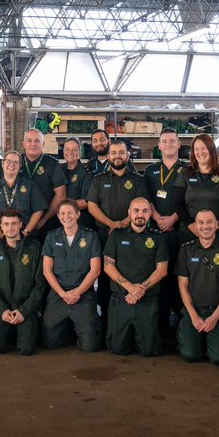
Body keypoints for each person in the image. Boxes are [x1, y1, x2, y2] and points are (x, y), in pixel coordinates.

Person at [103, 197, 170, 356]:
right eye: (136, 210)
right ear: (129, 213)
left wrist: (139, 290)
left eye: (145, 211)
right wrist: (130, 288)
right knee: (117, 349)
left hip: (147, 299)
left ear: (149, 214)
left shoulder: (158, 237)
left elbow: (162, 270)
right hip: (122, 299)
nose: (140, 214)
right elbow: (108, 266)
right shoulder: (116, 235)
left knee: (149, 351)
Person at [174, 209, 219, 365]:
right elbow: (182, 286)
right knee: (190, 355)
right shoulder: (186, 250)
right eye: (201, 222)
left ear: (217, 225)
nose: (205, 226)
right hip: (193, 312)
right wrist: (194, 316)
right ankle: (193, 339)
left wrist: (215, 317)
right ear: (196, 226)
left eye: (210, 222)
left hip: (218, 312)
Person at [41, 200, 103, 351]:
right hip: (58, 294)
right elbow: (47, 270)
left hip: (83, 294)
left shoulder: (91, 237)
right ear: (58, 216)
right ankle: (69, 327)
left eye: (70, 213)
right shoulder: (51, 237)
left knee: (90, 346)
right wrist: (63, 294)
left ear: (78, 214)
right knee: (49, 343)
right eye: (62, 213)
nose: (66, 216)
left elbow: (95, 270)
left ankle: (85, 326)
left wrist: (77, 293)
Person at [0, 208, 46, 355]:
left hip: (25, 309)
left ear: (21, 225)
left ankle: (26, 328)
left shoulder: (35, 249)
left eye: (14, 223)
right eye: (6, 224)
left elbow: (40, 284)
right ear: (1, 226)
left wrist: (24, 311)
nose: (10, 227)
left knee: (26, 350)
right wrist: (2, 309)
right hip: (4, 309)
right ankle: (11, 330)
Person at [144, 129, 187, 332]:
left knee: (179, 274)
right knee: (159, 274)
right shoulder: (151, 171)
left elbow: (190, 199)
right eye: (164, 141)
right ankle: (160, 320)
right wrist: (157, 218)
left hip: (179, 231)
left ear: (179, 144)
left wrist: (173, 218)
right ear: (158, 145)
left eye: (172, 140)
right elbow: (146, 199)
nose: (168, 144)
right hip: (157, 231)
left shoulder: (188, 170)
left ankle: (181, 317)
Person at [175, 133, 219, 243]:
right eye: (196, 149)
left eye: (203, 148)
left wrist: (216, 225)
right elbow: (178, 203)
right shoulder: (185, 173)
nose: (200, 152)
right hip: (190, 232)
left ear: (211, 149)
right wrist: (191, 225)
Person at [86, 140, 148, 239]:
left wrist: (122, 225)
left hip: (132, 233)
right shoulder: (98, 180)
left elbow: (144, 207)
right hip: (104, 234)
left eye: (121, 152)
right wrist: (111, 224)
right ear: (108, 156)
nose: (117, 156)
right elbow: (92, 207)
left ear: (127, 156)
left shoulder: (138, 180)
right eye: (113, 153)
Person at [0, 151, 46, 240]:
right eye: (8, 161)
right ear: (2, 163)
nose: (11, 164)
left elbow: (38, 210)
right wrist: (1, 237)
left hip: (26, 240)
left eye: (15, 162)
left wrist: (25, 233)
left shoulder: (30, 185)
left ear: (20, 165)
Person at [21, 128, 66, 235]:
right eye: (29, 140)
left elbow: (61, 195)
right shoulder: (15, 162)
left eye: (37, 141)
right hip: (20, 221)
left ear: (43, 144)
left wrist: (44, 219)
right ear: (23, 144)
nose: (33, 144)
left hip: (46, 222)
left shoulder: (53, 164)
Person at [60, 138, 95, 230]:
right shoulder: (58, 170)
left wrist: (62, 206)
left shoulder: (86, 173)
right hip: (59, 220)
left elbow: (86, 202)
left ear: (79, 152)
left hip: (79, 221)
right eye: (67, 149)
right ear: (63, 151)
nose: (70, 152)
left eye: (74, 150)